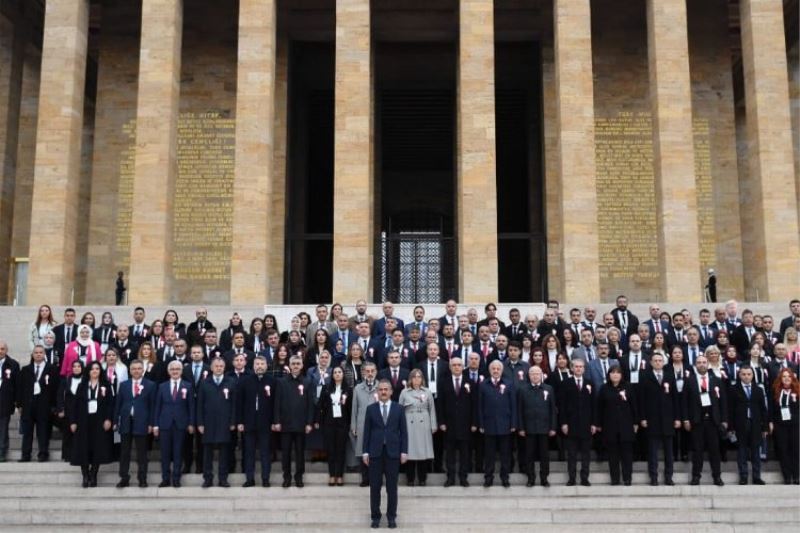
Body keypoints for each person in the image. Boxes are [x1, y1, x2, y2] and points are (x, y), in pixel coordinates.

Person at [362, 379, 408, 529]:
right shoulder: (371, 409)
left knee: (391, 488)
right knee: (374, 487)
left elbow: (404, 433)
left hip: (393, 453)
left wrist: (404, 451)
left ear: (391, 392)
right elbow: (366, 432)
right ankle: (375, 517)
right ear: (377, 391)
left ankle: (391, 517)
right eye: (380, 389)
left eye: (386, 389)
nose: (383, 392)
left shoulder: (399, 409)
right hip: (375, 453)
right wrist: (365, 452)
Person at [682, 354, 728, 486]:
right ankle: (696, 476)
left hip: (713, 421)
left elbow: (723, 402)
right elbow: (684, 402)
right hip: (697, 421)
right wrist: (685, 419)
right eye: (699, 362)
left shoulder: (716, 380)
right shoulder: (689, 380)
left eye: (704, 362)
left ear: (708, 364)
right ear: (695, 365)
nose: (701, 364)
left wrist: (724, 420)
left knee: (715, 451)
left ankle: (717, 476)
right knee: (697, 451)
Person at [68, 361, 114, 487]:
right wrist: (73, 421)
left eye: (97, 369)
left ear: (100, 371)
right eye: (92, 369)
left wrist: (109, 419)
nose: (95, 371)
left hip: (99, 421)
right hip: (83, 421)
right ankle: (85, 475)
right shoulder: (82, 386)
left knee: (97, 448)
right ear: (88, 371)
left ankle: (93, 475)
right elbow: (75, 405)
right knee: (83, 447)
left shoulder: (106, 385)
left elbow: (110, 404)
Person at [639, 352, 680, 485]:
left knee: (669, 452)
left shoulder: (669, 376)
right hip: (652, 419)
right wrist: (643, 417)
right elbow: (642, 399)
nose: (658, 363)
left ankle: (669, 476)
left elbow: (675, 398)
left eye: (660, 361)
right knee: (653, 451)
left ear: (663, 363)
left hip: (668, 419)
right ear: (651, 363)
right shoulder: (645, 376)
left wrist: (677, 418)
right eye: (655, 360)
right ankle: (654, 477)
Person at [114, 359, 156, 488]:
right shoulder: (124, 384)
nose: (136, 371)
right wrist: (115, 420)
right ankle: (124, 478)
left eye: (139, 368)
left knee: (142, 453)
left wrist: (151, 423)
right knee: (124, 452)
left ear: (143, 370)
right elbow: (118, 404)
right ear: (130, 370)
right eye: (133, 369)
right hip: (126, 421)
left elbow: (153, 406)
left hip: (142, 422)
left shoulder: (150, 385)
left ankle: (142, 478)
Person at [153, 360, 195, 488]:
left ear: (181, 371)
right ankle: (165, 478)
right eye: (173, 369)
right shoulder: (162, 386)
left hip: (181, 424)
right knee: (165, 453)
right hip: (165, 424)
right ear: (168, 371)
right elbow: (157, 407)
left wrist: (191, 423)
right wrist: (156, 424)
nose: (175, 371)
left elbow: (191, 406)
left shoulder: (187, 386)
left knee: (178, 452)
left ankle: (176, 478)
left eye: (177, 369)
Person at [273, 355, 314, 488]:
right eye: (293, 364)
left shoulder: (307, 382)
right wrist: (277, 421)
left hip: (301, 424)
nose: (296, 366)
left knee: (300, 453)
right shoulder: (281, 382)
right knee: (286, 453)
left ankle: (299, 477)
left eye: (298, 364)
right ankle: (287, 477)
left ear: (302, 366)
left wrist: (309, 423)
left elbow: (310, 405)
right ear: (289, 366)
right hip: (285, 424)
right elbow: (277, 403)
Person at [236, 355, 276, 487]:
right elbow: (239, 403)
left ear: (266, 366)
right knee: (249, 453)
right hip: (249, 423)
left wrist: (275, 421)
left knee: (265, 452)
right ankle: (249, 479)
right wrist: (240, 422)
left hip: (266, 423)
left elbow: (276, 404)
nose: (259, 366)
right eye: (257, 364)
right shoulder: (245, 381)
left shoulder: (272, 381)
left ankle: (265, 478)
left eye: (262, 364)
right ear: (253, 366)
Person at [437, 357, 477, 487]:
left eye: (459, 365)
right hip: (449, 425)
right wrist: (441, 422)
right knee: (450, 454)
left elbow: (474, 404)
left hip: (466, 425)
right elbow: (440, 404)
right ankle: (451, 478)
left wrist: (474, 423)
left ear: (463, 366)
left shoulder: (470, 382)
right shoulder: (443, 382)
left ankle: (463, 477)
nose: (456, 367)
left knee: (465, 454)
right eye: (454, 365)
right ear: (450, 367)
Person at [595, 366, 638, 486]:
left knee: (627, 454)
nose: (615, 375)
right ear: (609, 375)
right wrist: (598, 424)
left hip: (626, 425)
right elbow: (599, 408)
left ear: (621, 375)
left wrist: (635, 422)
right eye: (613, 373)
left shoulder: (628, 387)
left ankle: (627, 478)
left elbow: (634, 405)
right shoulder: (604, 388)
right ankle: (615, 478)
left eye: (618, 373)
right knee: (613, 454)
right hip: (610, 426)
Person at [197, 357, 236, 488]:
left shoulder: (231, 382)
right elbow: (200, 404)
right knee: (207, 452)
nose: (218, 368)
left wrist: (232, 421)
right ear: (211, 368)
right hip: (208, 422)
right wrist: (200, 423)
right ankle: (207, 478)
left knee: (224, 452)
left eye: (221, 366)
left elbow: (234, 404)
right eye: (216, 366)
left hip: (225, 422)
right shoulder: (204, 383)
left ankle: (223, 478)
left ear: (224, 368)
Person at [558, 358, 596, 486]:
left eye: (581, 366)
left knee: (586, 454)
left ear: (584, 369)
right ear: (572, 368)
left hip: (586, 424)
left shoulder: (590, 383)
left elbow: (593, 404)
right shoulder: (565, 383)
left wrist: (593, 423)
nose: (578, 368)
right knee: (572, 454)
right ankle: (572, 478)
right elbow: (561, 405)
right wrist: (563, 423)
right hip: (571, 424)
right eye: (576, 366)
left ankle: (585, 478)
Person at [478, 360, 516, 488]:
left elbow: (513, 405)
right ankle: (488, 478)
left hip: (505, 425)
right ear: (489, 370)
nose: (495, 371)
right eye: (493, 368)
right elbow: (480, 407)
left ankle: (505, 478)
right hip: (489, 425)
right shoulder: (483, 385)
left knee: (505, 455)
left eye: (497, 369)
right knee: (489, 455)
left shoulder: (509, 384)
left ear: (501, 370)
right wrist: (481, 424)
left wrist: (513, 423)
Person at [517, 366, 556, 487]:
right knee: (529, 455)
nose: (535, 376)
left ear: (541, 375)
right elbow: (520, 410)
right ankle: (531, 478)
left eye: (537, 373)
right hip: (529, 428)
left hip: (544, 428)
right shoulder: (523, 390)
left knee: (544, 455)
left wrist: (553, 427)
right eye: (532, 373)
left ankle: (544, 478)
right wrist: (521, 427)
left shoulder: (548, 389)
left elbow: (552, 410)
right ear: (529, 375)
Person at [728, 366, 768, 485]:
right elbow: (730, 409)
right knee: (742, 451)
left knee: (756, 451)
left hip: (755, 424)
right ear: (739, 375)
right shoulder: (734, 389)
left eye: (749, 374)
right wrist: (731, 427)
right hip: (740, 424)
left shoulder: (758, 390)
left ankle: (756, 476)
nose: (746, 376)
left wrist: (765, 427)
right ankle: (743, 476)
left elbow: (763, 410)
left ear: (753, 375)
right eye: (744, 374)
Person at [17, 346, 58, 462]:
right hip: (28, 405)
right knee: (27, 432)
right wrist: (19, 404)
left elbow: (55, 388)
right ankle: (25, 455)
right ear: (32, 355)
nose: (38, 354)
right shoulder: (25, 369)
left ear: (44, 354)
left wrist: (54, 405)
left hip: (44, 405)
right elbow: (20, 388)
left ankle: (43, 454)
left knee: (43, 431)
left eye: (41, 352)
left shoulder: (52, 369)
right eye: (36, 353)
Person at [398, 368, 437, 486]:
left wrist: (433, 424)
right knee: (409, 452)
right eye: (414, 377)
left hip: (423, 422)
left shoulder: (427, 392)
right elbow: (399, 410)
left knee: (423, 452)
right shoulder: (404, 392)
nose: (416, 379)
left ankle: (422, 478)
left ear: (422, 379)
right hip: (409, 422)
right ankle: (410, 478)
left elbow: (432, 409)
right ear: (410, 379)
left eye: (419, 377)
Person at [315, 365, 351, 486]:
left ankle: (339, 475)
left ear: (343, 374)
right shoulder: (326, 388)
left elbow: (351, 409)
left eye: (339, 372)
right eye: (335, 372)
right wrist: (318, 421)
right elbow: (320, 406)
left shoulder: (348, 389)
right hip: (329, 423)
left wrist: (351, 424)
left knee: (341, 450)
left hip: (343, 423)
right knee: (331, 450)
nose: (337, 374)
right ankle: (332, 475)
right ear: (332, 375)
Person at [351, 362, 379, 486]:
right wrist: (354, 426)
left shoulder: (381, 386)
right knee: (363, 450)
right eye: (367, 371)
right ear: (363, 373)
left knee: (376, 451)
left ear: (376, 372)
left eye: (372, 371)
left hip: (378, 424)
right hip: (362, 423)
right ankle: (365, 478)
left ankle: (375, 478)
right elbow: (354, 409)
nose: (370, 373)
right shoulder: (358, 388)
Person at [771, 368, 799, 484]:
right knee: (783, 450)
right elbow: (772, 409)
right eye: (784, 376)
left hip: (795, 425)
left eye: (789, 376)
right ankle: (787, 476)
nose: (786, 378)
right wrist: (771, 422)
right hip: (780, 425)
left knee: (795, 450)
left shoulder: (797, 391)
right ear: (780, 379)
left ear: (792, 378)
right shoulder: (776, 391)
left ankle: (796, 475)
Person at [0, 340, 20, 462]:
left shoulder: (13, 364)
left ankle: (2, 452)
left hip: (5, 402)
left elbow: (17, 385)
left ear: (6, 350)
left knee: (3, 428)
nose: (0, 351)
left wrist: (17, 402)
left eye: (2, 349)